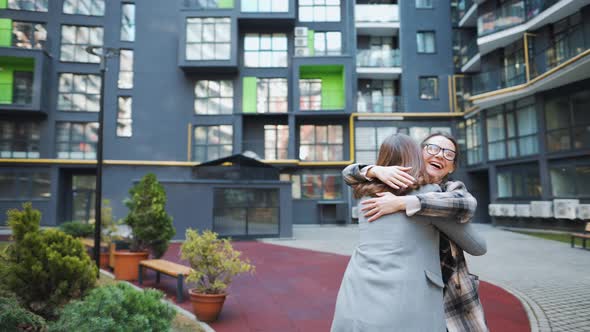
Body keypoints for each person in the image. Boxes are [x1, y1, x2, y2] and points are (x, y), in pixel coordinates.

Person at [331, 133, 486, 332]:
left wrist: (404, 202)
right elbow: (479, 246)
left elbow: (466, 202)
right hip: (411, 296)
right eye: (433, 148)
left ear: (453, 167)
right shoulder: (422, 190)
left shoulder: (367, 192)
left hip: (357, 293)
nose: (440, 155)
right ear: (418, 154)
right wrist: (373, 169)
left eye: (448, 154)